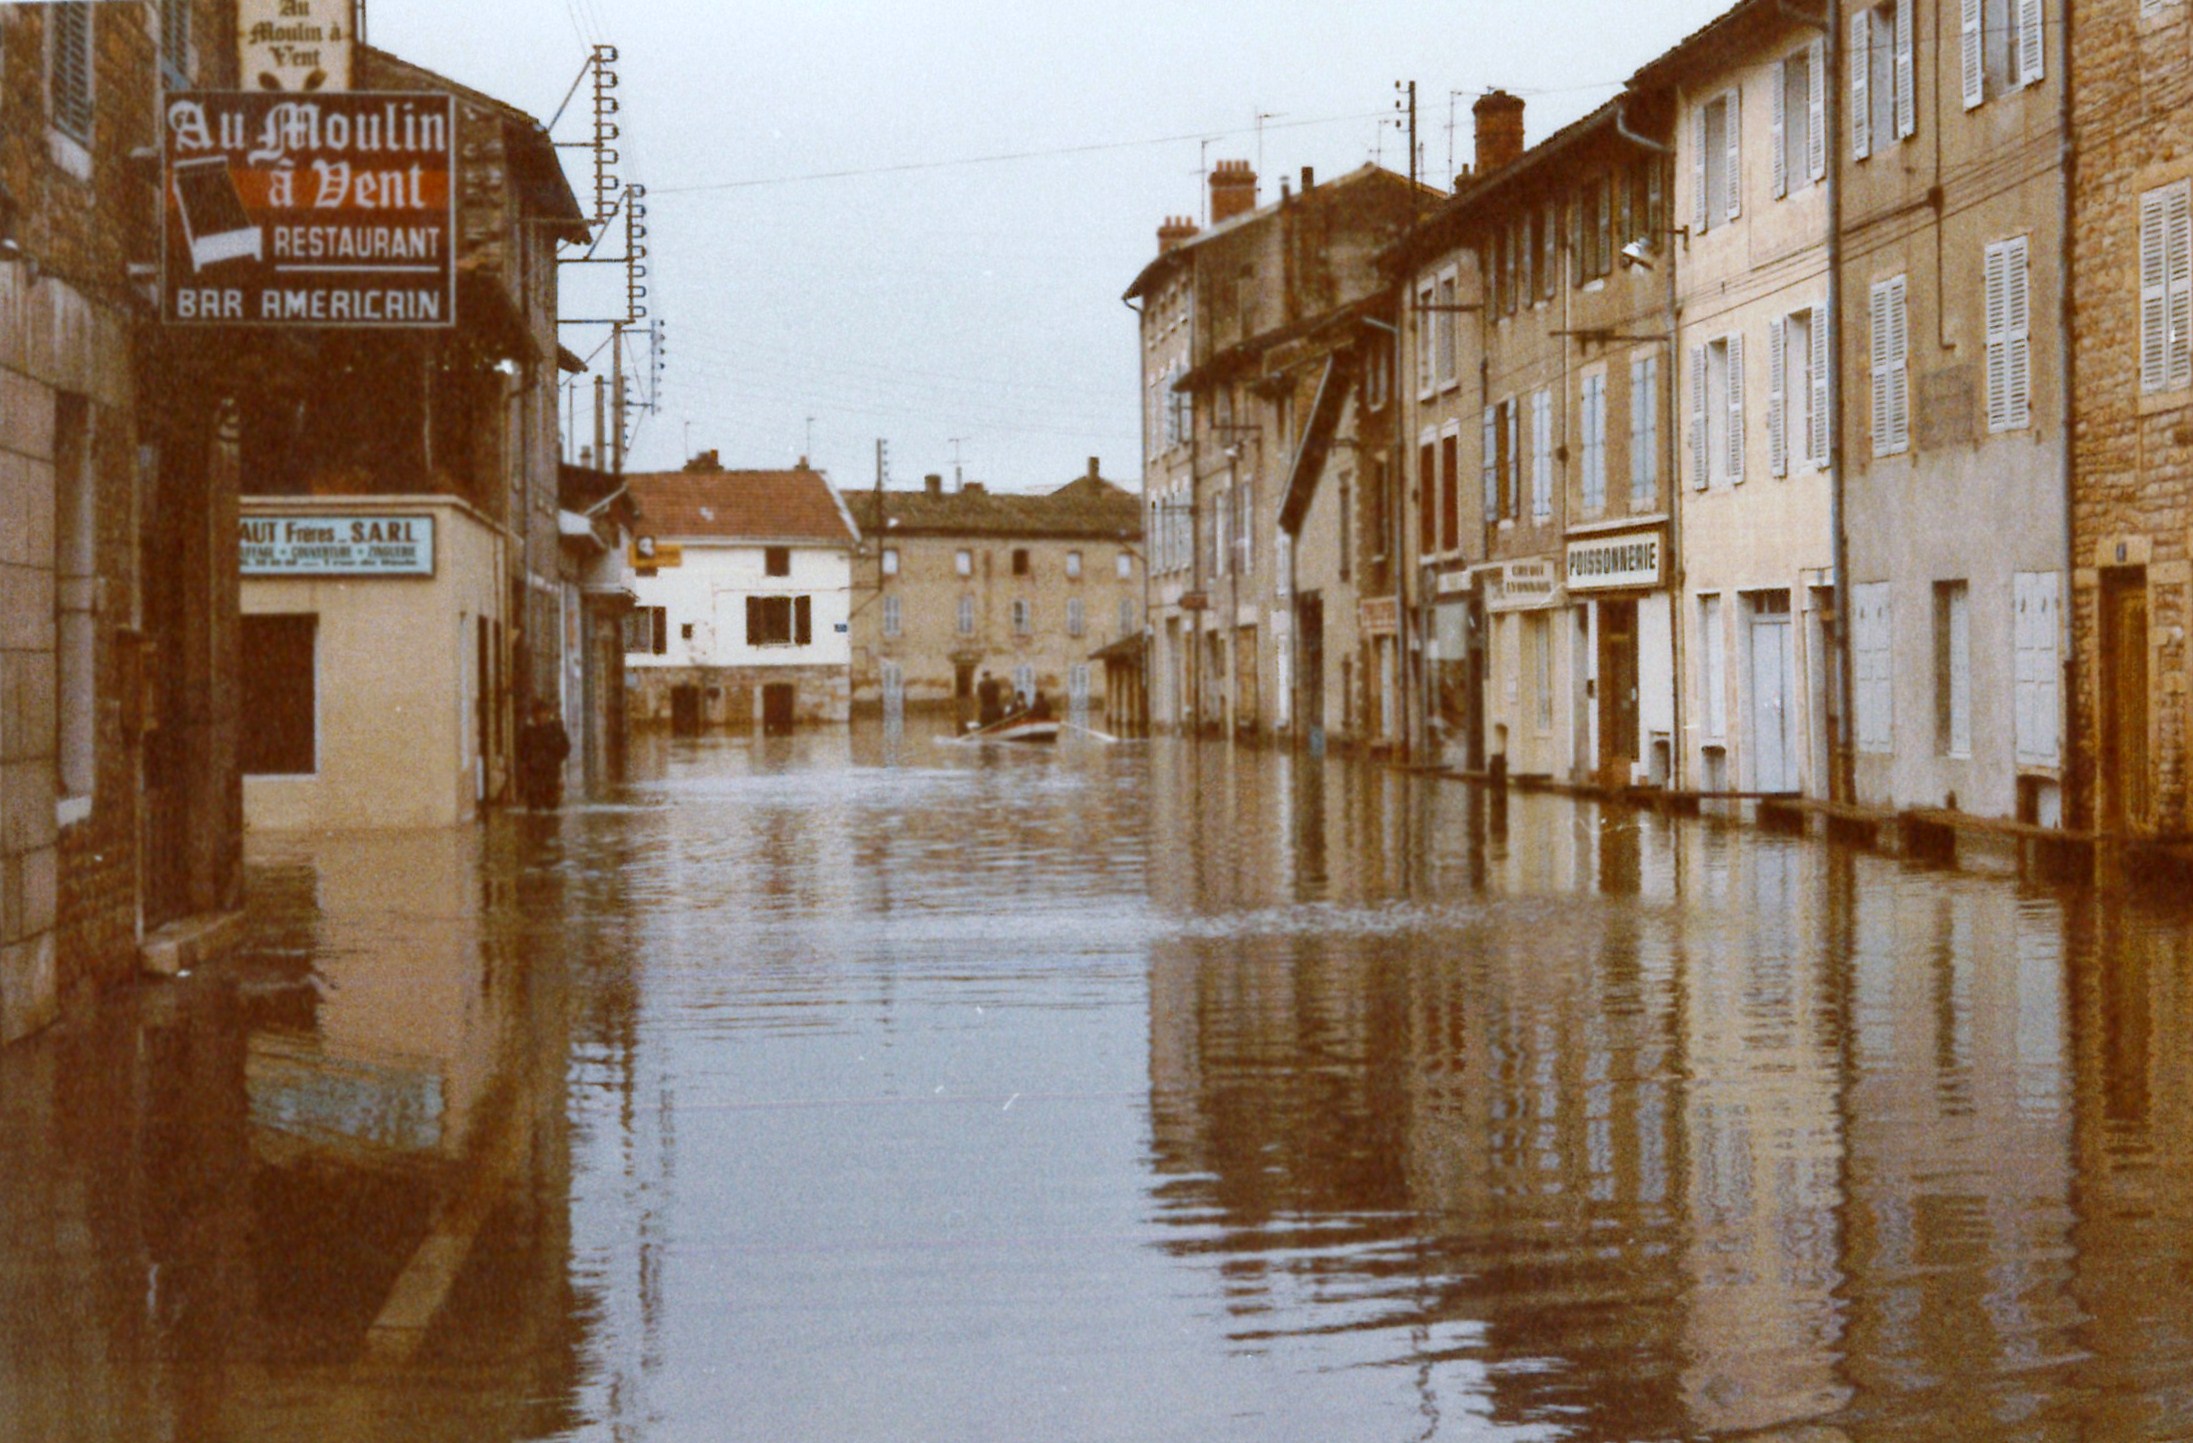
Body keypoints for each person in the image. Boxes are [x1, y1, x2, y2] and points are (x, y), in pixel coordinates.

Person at [519, 700, 572, 809]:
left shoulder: (555, 729)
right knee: (534, 802)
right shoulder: (528, 731)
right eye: (538, 713)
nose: (541, 716)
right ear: (534, 715)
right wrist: (526, 762)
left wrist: (557, 759)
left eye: (544, 713)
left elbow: (565, 746)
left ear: (548, 714)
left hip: (551, 770)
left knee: (551, 801)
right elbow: (522, 749)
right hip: (534, 771)